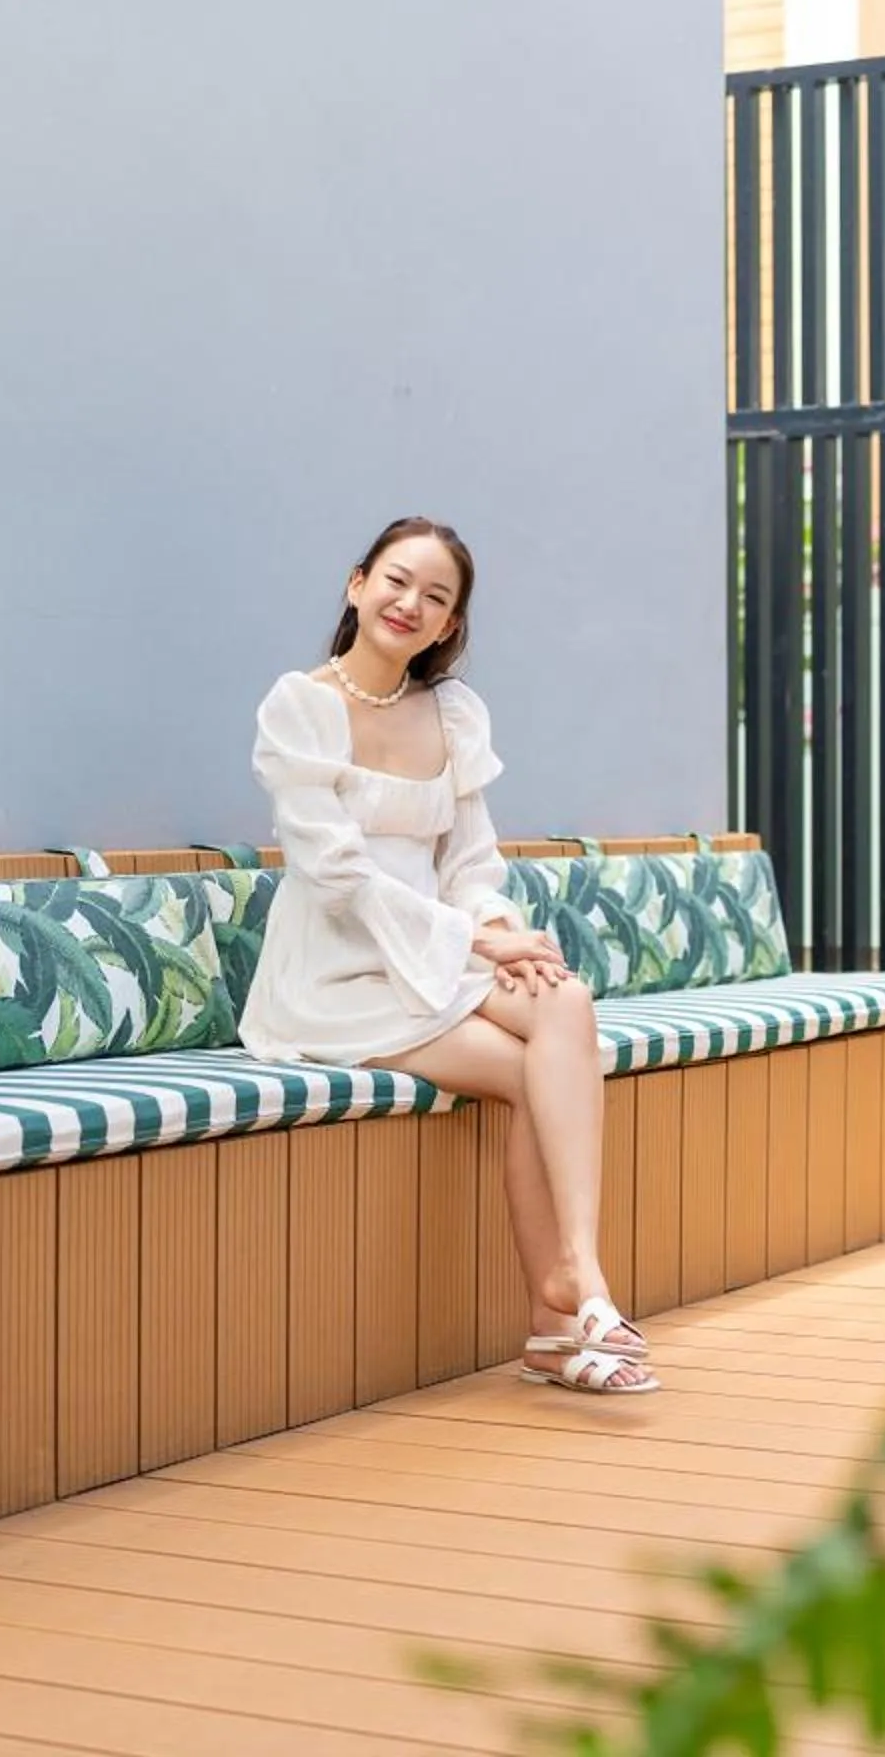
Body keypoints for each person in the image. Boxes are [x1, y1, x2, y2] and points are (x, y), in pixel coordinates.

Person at [239, 515, 657, 1395]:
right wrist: (479, 939)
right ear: (357, 585)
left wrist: (501, 934)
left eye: (437, 597)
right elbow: (338, 875)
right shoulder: (301, 707)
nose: (410, 604)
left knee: (564, 1003)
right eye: (397, 581)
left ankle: (577, 1276)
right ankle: (560, 1315)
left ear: (450, 626)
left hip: (435, 953)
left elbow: (468, 862)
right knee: (526, 1072)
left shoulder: (454, 713)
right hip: (336, 973)